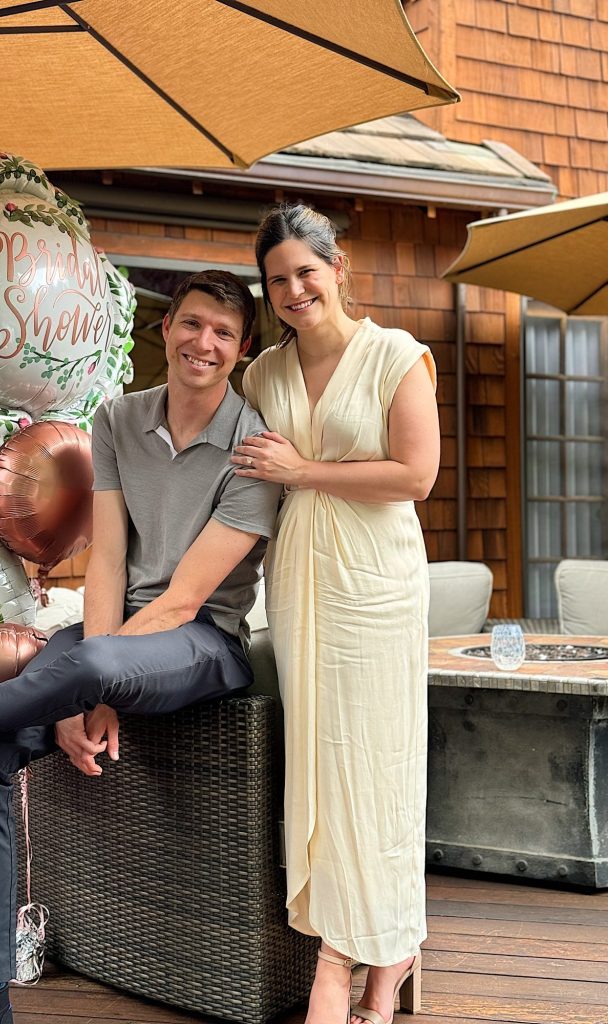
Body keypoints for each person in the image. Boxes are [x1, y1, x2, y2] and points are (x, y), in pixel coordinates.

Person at [0, 270, 281, 1024]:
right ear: (167, 327)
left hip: (203, 644)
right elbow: (106, 561)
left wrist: (93, 692)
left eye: (223, 334)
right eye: (193, 324)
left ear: (240, 351)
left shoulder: (255, 447)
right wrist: (87, 682)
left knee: (85, 662)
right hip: (107, 638)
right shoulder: (115, 420)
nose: (204, 343)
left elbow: (182, 600)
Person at [231, 204, 440, 1024]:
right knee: (318, 764)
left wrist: (306, 469)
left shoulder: (395, 355)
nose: (292, 290)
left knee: (376, 768)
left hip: (376, 586)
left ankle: (351, 958)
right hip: (300, 584)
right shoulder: (262, 376)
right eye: (277, 279)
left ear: (338, 267)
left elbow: (417, 476)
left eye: (305, 272)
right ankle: (377, 945)